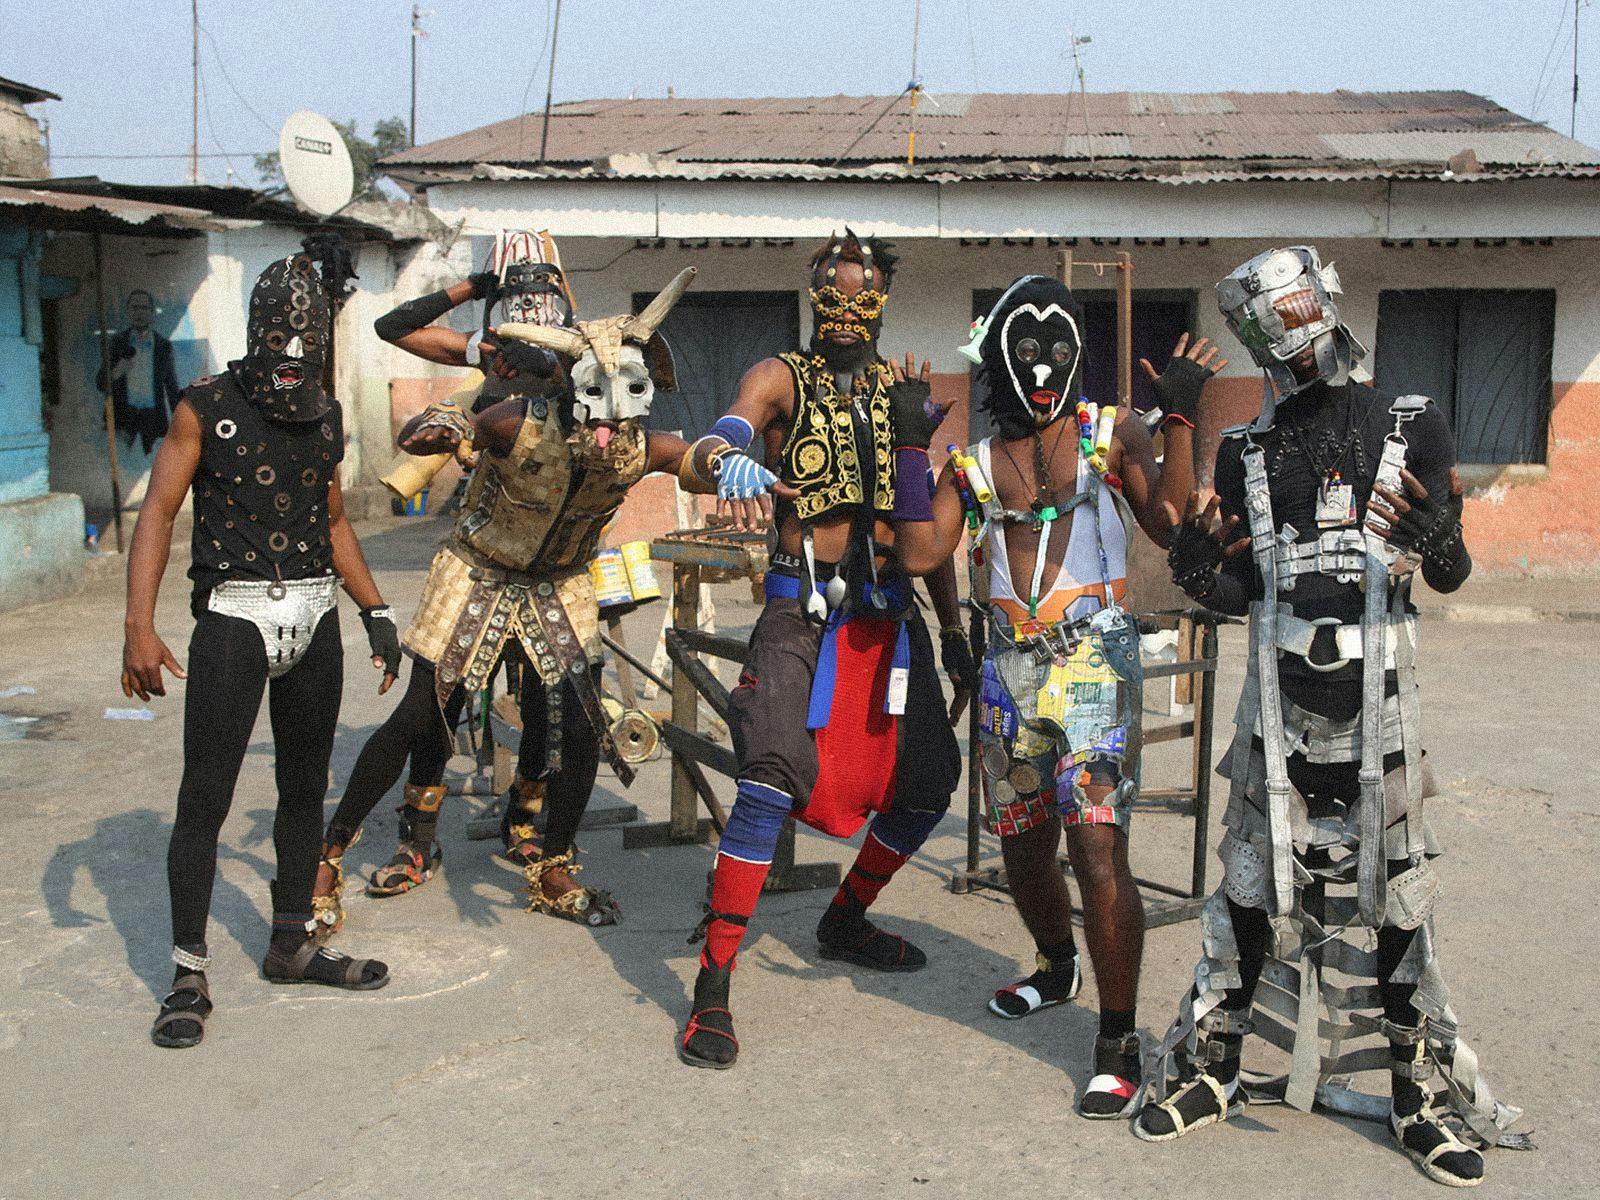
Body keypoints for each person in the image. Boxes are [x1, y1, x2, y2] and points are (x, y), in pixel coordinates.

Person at [1135, 246, 1526, 1186]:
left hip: (1381, 706)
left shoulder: (1411, 423)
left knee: (1397, 900)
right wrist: (1193, 568)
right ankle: (1219, 1065)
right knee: (1247, 890)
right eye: (1262, 316)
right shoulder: (1248, 451)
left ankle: (1416, 1094)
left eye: (1292, 305)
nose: (1284, 331)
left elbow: (1449, 572)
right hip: (1273, 711)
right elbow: (1238, 584)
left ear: (1327, 300)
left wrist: (1442, 542)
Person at [894, 274, 1221, 1116]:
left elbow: (1172, 522)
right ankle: (1053, 965)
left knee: (1097, 846)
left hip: (1093, 663)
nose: (1042, 365)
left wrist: (1179, 417)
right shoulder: (971, 461)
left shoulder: (1111, 434)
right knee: (1023, 843)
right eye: (1025, 347)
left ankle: (1118, 1037)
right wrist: (901, 449)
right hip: (1010, 670)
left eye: (1057, 347)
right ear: (1001, 354)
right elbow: (921, 555)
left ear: (1078, 357)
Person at [314, 265, 704, 930]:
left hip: (562, 581)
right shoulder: (512, 406)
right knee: (424, 714)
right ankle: (336, 855)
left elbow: (695, 457)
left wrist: (735, 460)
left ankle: (552, 862)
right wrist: (441, 428)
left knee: (578, 725)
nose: (609, 419)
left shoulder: (636, 446)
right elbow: (431, 418)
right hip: (479, 567)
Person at [672, 231, 965, 1070]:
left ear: (883, 304)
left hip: (891, 616)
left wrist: (951, 631)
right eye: (831, 297)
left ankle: (843, 920)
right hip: (800, 610)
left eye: (861, 299)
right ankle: (713, 983)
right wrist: (724, 457)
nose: (845, 313)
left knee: (927, 783)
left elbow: (923, 533)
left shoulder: (903, 389)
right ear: (811, 296)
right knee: (768, 776)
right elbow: (721, 433)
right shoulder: (781, 376)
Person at [120, 254, 399, 1049]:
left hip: (313, 612)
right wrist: (139, 625)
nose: (290, 350)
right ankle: (186, 973)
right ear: (254, 329)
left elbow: (335, 517)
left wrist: (374, 609)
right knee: (205, 795)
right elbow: (159, 514)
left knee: (304, 787)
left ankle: (289, 942)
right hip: (234, 616)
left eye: (305, 338)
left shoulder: (328, 415)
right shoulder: (205, 406)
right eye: (277, 333)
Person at [312, 235, 586, 919]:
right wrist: (469, 287)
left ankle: (528, 831)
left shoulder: (582, 359)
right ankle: (414, 841)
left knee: (554, 709)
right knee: (433, 707)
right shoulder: (487, 354)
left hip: (555, 563)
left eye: (541, 290)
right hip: (480, 552)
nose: (532, 303)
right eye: (516, 290)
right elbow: (391, 330)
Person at [99, 288, 182, 454]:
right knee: (124, 463)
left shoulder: (163, 345)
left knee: (154, 466)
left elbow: (171, 387)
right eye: (135, 308)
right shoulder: (117, 342)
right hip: (124, 418)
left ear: (152, 312)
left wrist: (181, 422)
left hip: (153, 418)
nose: (139, 313)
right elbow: (100, 382)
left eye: (144, 308)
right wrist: (116, 372)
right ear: (128, 312)